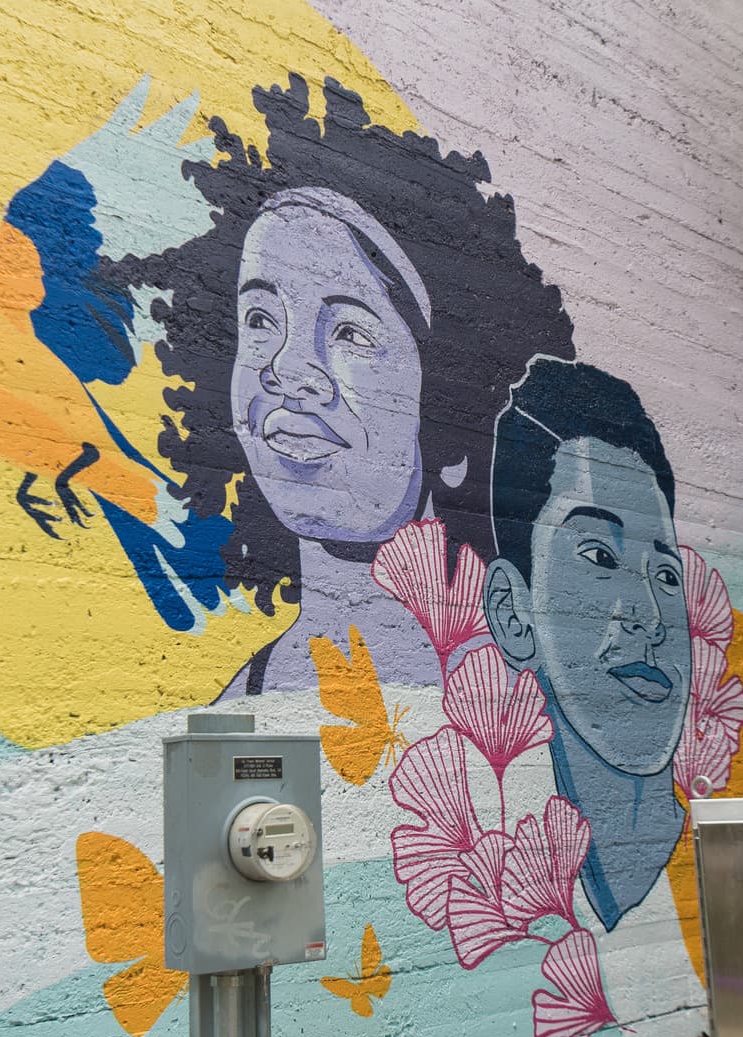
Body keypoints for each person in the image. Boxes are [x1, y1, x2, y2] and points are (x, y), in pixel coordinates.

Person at [114, 74, 574, 694]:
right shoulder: (240, 707)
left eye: (351, 333)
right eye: (259, 320)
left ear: (451, 399)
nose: (287, 369)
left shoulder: (531, 704)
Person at [482, 356, 691, 931]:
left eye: (667, 575)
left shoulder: (713, 863)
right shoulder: (518, 902)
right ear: (512, 615)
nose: (651, 618)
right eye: (600, 555)